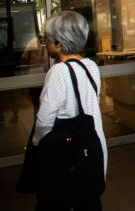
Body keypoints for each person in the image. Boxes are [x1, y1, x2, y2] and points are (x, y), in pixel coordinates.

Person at [33, 11, 106, 210]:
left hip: (67, 156)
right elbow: (93, 102)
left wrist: (36, 144)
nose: (44, 43)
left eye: (46, 39)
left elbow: (45, 120)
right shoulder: (91, 66)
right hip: (92, 148)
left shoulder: (58, 71)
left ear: (58, 44)